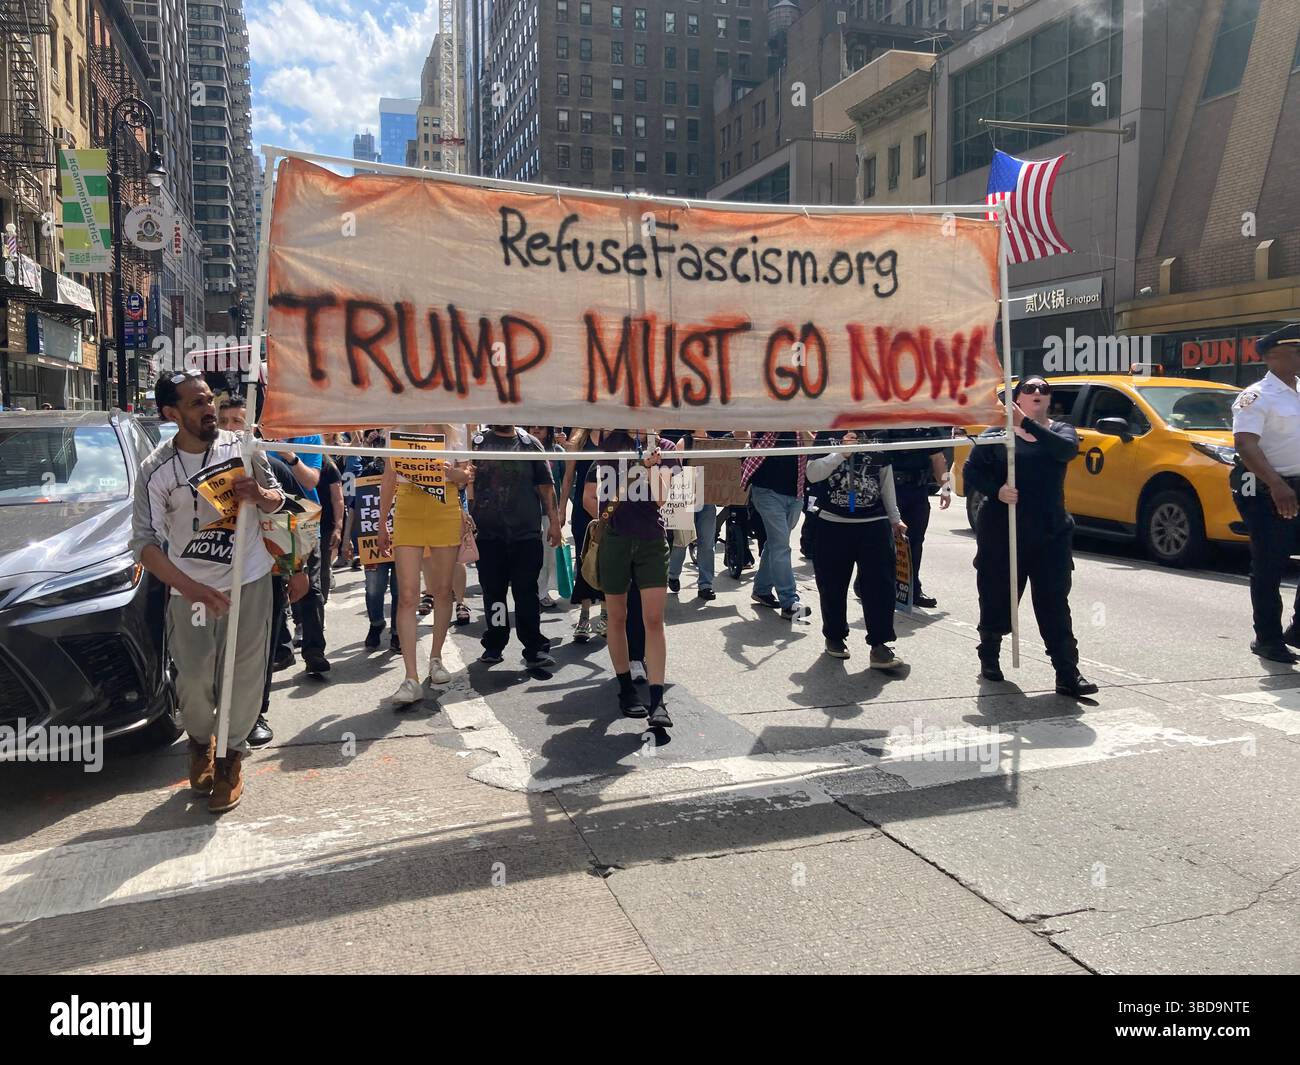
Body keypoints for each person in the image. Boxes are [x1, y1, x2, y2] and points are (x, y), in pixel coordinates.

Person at [131, 369, 285, 813]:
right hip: (190, 591)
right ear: (170, 413)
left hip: (250, 579)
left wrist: (258, 493)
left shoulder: (243, 447)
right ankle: (201, 742)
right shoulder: (156, 470)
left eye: (209, 400)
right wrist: (192, 588)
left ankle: (232, 758)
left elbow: (276, 499)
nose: (209, 409)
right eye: (196, 403)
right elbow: (143, 544)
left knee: (244, 674)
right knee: (195, 680)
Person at [963, 376, 1097, 697]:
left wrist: (1029, 425)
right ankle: (990, 655)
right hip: (1002, 530)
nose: (1037, 393)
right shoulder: (998, 435)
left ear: (1049, 400)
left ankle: (1067, 673)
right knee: (998, 595)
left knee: (1053, 601)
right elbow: (971, 471)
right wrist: (997, 491)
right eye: (1030, 389)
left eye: (1044, 390)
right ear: (1017, 398)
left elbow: (1065, 451)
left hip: (1050, 532)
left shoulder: (1060, 431)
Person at [583, 429, 677, 727]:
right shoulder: (610, 441)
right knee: (618, 616)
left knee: (653, 619)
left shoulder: (666, 447)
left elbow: (662, 499)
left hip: (651, 540)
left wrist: (651, 466)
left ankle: (657, 699)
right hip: (615, 538)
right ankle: (625, 688)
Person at [379, 424, 473, 704]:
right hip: (407, 508)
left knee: (443, 590)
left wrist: (446, 471)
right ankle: (410, 677)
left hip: (446, 506)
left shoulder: (458, 428)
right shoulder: (396, 430)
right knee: (407, 595)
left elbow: (466, 476)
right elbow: (388, 477)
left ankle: (436, 658)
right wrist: (382, 523)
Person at [807, 430, 907, 669]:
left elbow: (885, 479)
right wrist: (841, 453)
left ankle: (880, 644)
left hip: (874, 523)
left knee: (880, 586)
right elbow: (812, 474)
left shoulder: (880, 435)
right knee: (832, 584)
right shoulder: (827, 433)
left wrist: (895, 518)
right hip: (833, 523)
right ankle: (834, 636)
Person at [1231, 324, 1300, 663]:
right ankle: (1268, 638)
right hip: (1265, 486)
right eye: (1297, 352)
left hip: (1296, 483)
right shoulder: (1256, 396)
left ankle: (1299, 628)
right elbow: (1245, 444)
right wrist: (1276, 485)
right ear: (1274, 357)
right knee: (1271, 562)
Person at [470, 425, 562, 668]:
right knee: (494, 593)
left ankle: (534, 648)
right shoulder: (477, 443)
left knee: (527, 594)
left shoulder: (530, 444)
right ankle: (494, 644)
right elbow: (466, 484)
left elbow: (545, 487)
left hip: (526, 535)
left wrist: (554, 522)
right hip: (489, 535)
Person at [742, 430, 813, 620]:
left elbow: (811, 444)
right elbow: (746, 432)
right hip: (766, 492)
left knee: (775, 543)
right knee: (781, 546)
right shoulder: (768, 423)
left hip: (795, 495)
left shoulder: (802, 427)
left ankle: (762, 589)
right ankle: (790, 602)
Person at [878, 426, 952, 608]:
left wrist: (946, 488)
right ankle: (875, 584)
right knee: (884, 542)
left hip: (917, 491)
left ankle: (913, 589)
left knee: (915, 541)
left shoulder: (926, 427)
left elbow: (938, 459)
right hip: (890, 491)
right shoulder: (886, 425)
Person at [561, 428, 608, 642]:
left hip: (611, 507)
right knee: (584, 561)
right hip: (582, 510)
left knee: (608, 561)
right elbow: (568, 477)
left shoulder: (616, 438)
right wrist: (561, 509)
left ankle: (606, 615)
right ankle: (584, 616)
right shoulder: (578, 441)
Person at [666, 429, 720, 600]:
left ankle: (706, 585)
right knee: (681, 541)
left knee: (707, 542)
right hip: (685, 496)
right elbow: (675, 471)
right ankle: (673, 575)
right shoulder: (684, 442)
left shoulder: (714, 443)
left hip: (707, 498)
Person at [530, 426, 568, 608]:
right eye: (533, 425)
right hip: (526, 512)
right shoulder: (523, 448)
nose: (537, 429)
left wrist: (561, 510)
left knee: (548, 555)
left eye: (541, 426)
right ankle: (530, 591)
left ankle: (543, 592)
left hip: (549, 512)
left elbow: (566, 481)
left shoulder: (557, 451)